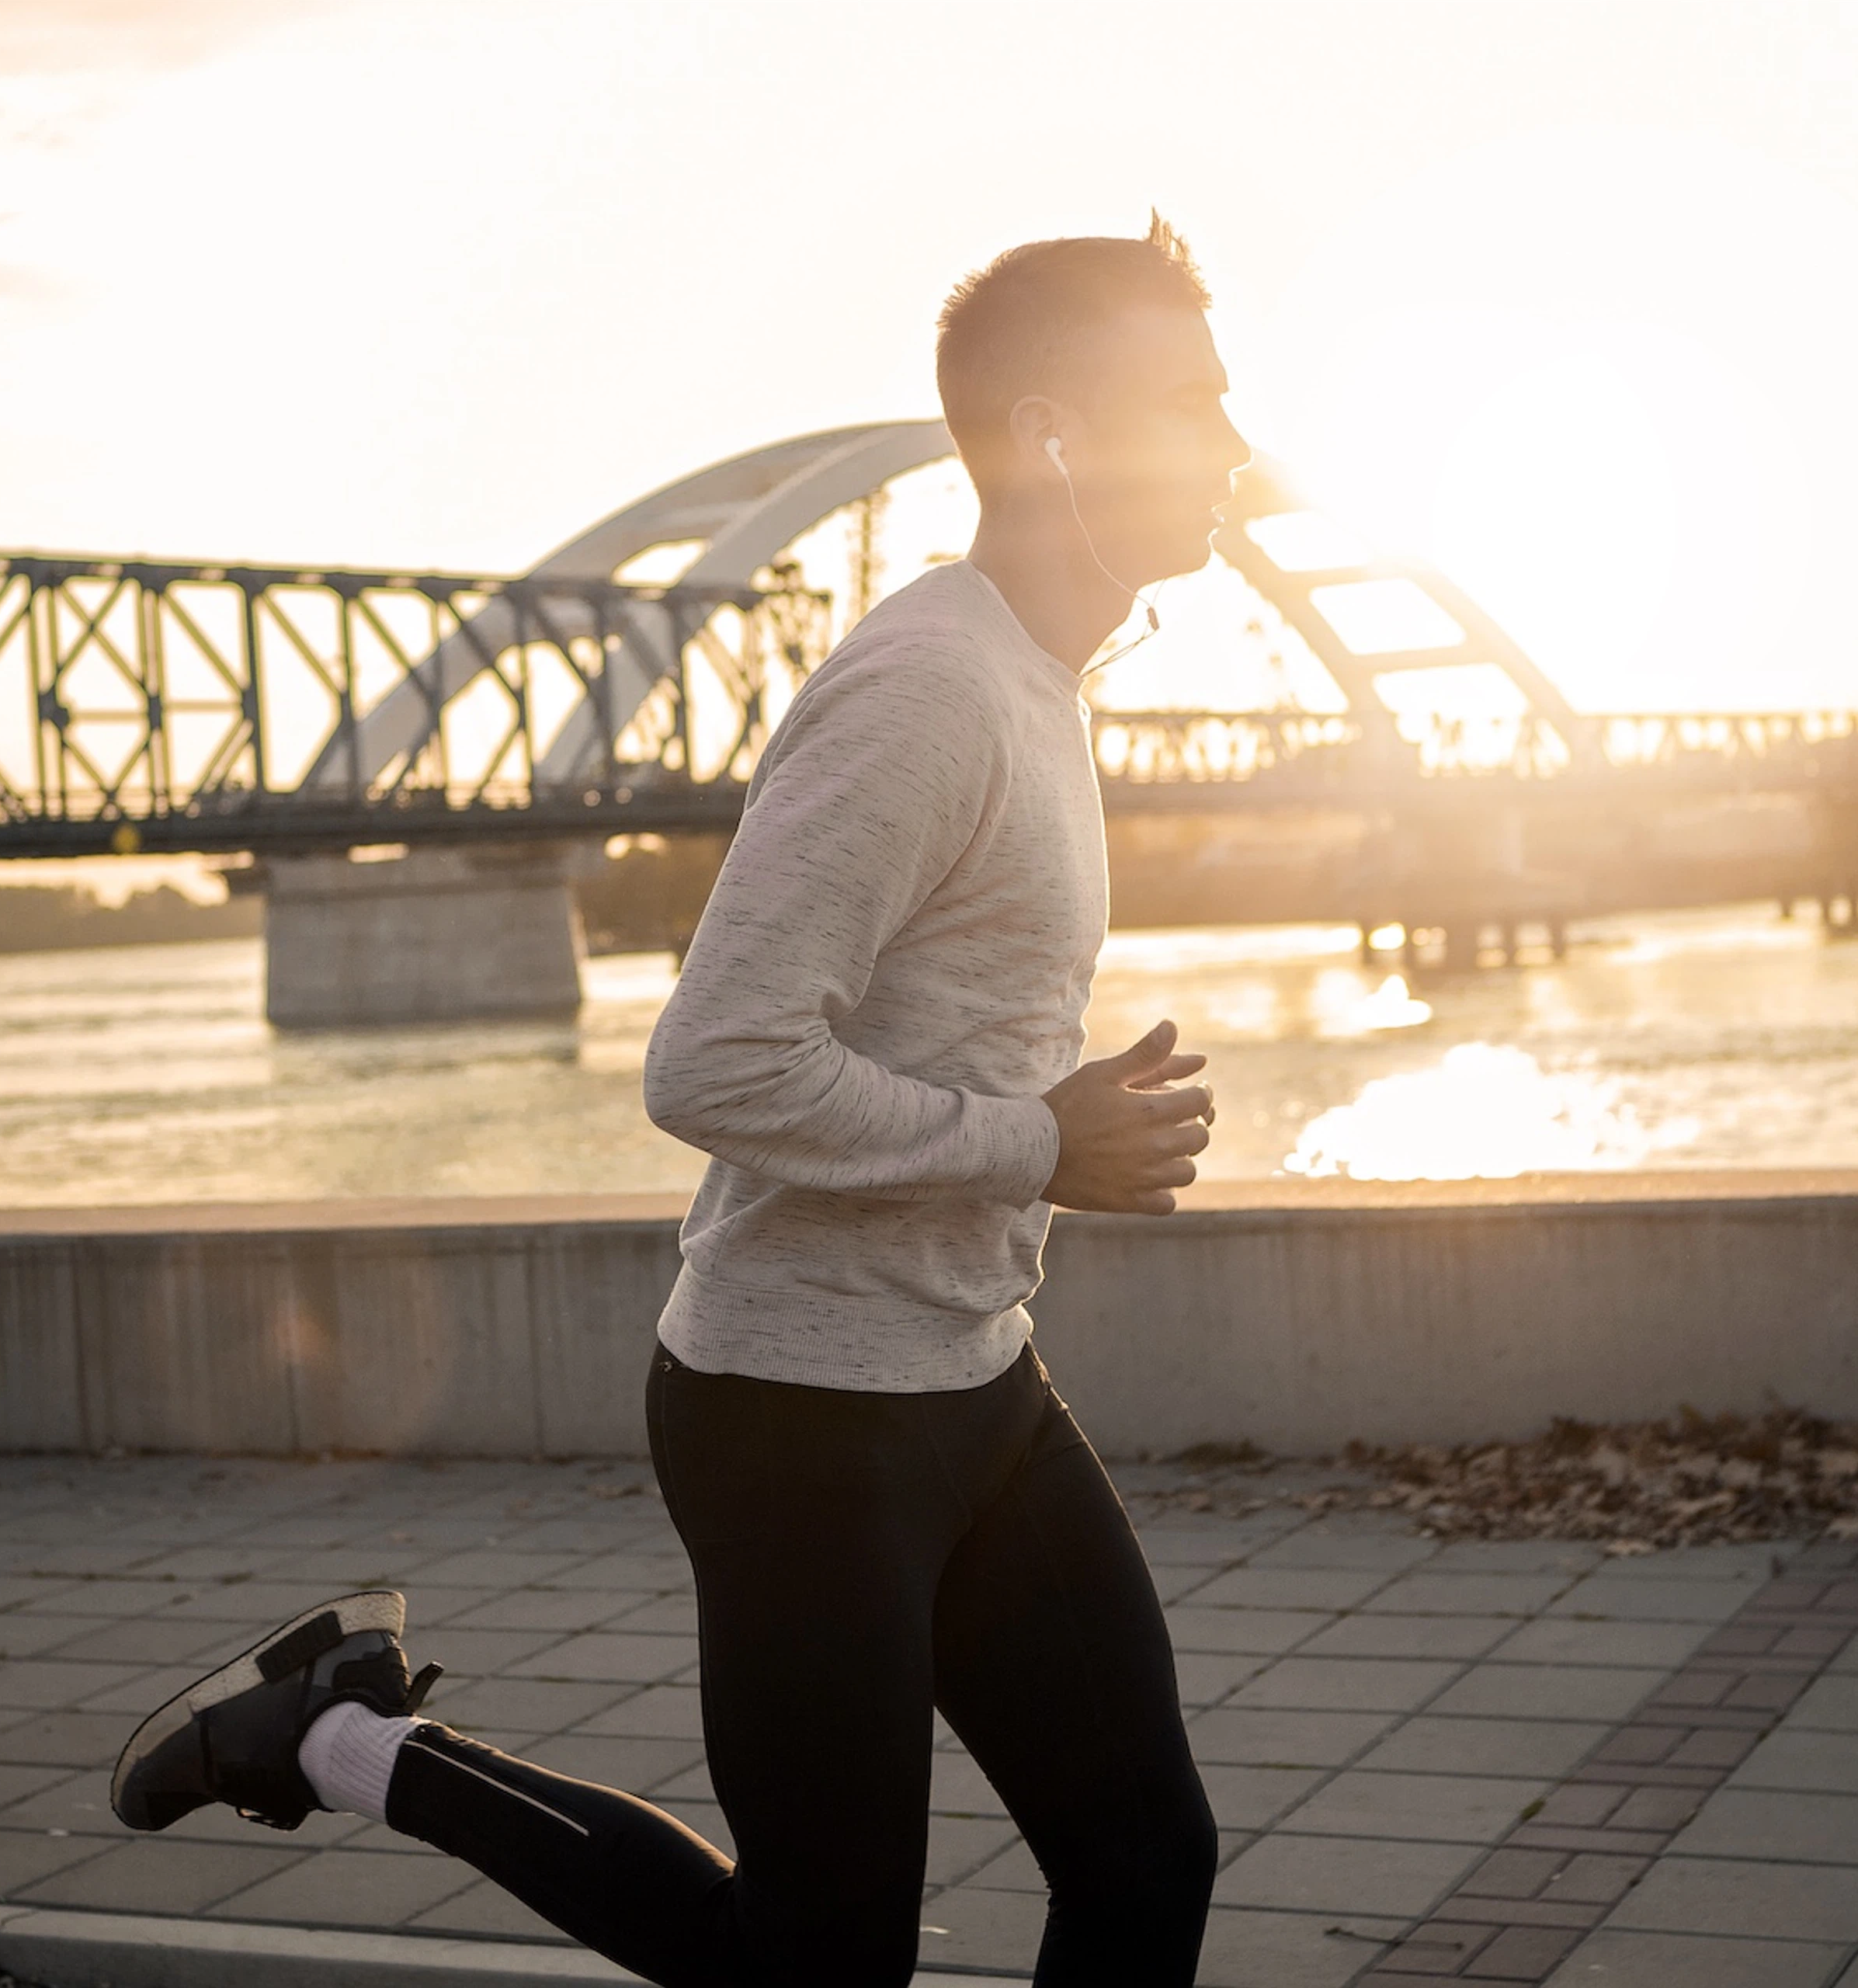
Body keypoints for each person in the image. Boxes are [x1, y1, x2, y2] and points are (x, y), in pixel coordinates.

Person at [108, 214, 1250, 1988]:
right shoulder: (929, 688)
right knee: (811, 1950)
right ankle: (335, 1740)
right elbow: (712, 1061)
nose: (1237, 450)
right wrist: (1045, 1137)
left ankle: (330, 1723)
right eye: (1193, 404)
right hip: (801, 1419)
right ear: (1051, 437)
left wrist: (1050, 1128)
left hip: (975, 1378)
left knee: (1145, 1854)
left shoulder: (1041, 678)